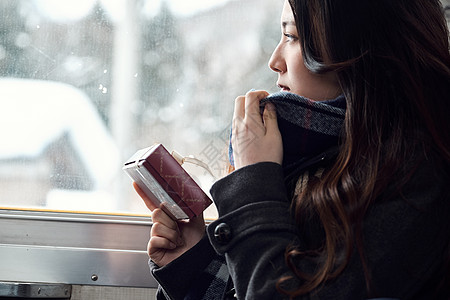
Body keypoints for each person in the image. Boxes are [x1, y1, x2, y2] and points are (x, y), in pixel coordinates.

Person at [133, 0, 450, 299]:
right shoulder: (316, 158)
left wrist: (253, 178)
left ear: (357, 50)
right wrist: (191, 261)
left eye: (291, 36)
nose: (274, 61)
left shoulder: (418, 178)